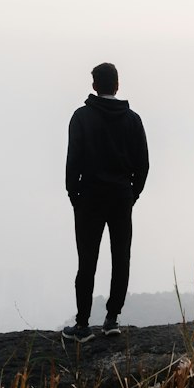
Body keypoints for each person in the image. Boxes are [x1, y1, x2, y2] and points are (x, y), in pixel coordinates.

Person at [62, 62, 149, 344]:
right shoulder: (133, 120)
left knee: (87, 260)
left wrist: (73, 193)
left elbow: (73, 160)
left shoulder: (81, 118)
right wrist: (132, 193)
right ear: (117, 85)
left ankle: (83, 324)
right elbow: (143, 164)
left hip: (88, 198)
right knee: (121, 257)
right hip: (121, 197)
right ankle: (112, 319)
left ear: (94, 86)